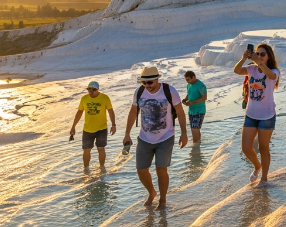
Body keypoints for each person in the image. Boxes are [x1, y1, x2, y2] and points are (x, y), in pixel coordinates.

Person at [123, 67, 188, 208]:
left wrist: (184, 133)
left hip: (166, 137)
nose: (147, 86)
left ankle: (163, 199)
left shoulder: (170, 91)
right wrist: (127, 134)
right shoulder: (139, 92)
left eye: (150, 83)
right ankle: (152, 192)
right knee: (141, 170)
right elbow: (133, 112)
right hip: (144, 138)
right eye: (143, 83)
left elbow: (180, 112)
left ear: (157, 79)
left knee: (161, 169)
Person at [234, 43, 279, 187]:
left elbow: (271, 76)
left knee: (263, 148)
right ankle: (257, 166)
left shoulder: (273, 71)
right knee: (246, 148)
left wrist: (258, 61)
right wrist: (243, 58)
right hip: (251, 114)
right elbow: (237, 70)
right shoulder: (251, 69)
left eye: (262, 54)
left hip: (267, 116)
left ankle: (264, 178)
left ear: (268, 56)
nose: (259, 56)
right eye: (257, 53)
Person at [70, 81, 115, 168]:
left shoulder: (105, 98)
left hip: (101, 128)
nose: (91, 92)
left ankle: (102, 168)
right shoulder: (84, 99)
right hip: (87, 129)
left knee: (101, 149)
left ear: (98, 89)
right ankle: (86, 169)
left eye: (93, 90)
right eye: (89, 90)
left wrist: (113, 125)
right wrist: (73, 127)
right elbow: (79, 112)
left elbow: (110, 111)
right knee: (86, 150)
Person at [181, 71, 207, 144]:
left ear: (193, 77)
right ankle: (198, 143)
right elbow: (189, 93)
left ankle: (195, 146)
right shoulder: (189, 85)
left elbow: (204, 98)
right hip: (191, 110)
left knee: (194, 128)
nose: (187, 81)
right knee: (196, 128)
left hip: (199, 110)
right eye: (186, 80)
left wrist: (192, 102)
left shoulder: (201, 85)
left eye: (188, 79)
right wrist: (185, 99)